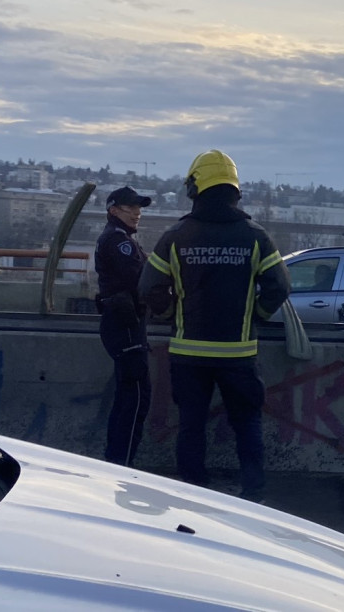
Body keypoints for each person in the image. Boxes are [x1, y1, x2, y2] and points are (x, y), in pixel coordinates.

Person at [138, 149, 290, 503]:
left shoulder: (176, 236)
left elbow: (148, 288)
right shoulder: (255, 236)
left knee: (191, 426)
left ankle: (192, 494)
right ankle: (253, 495)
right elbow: (279, 287)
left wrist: (170, 313)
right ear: (234, 189)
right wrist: (254, 317)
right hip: (239, 355)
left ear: (195, 188)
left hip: (188, 354)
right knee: (247, 424)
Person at [95, 185, 153, 466]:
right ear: (113, 210)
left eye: (139, 207)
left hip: (122, 323)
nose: (137, 213)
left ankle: (116, 459)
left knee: (127, 396)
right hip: (126, 324)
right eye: (130, 207)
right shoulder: (120, 241)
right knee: (136, 398)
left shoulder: (119, 238)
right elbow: (140, 279)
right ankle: (123, 463)